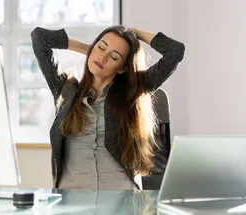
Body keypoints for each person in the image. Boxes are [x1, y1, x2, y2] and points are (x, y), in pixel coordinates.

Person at [31, 25, 185, 190]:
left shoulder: (132, 92)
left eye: (114, 57)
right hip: (72, 200)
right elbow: (40, 38)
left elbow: (174, 51)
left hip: (121, 201)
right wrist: (90, 50)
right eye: (101, 47)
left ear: (123, 67)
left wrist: (135, 32)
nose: (102, 58)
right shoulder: (65, 90)